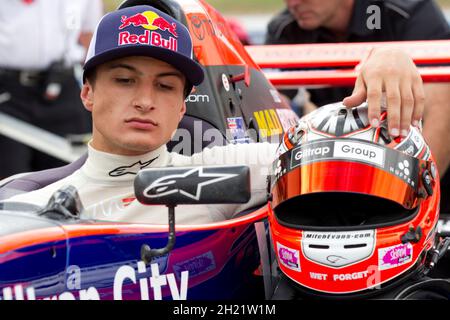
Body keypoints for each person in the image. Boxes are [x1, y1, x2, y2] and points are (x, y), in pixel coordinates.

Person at [4, 4, 430, 225]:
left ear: (184, 103)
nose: (145, 100)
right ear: (87, 93)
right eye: (125, 80)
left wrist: (387, 58)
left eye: (166, 86)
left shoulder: (230, 169)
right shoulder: (21, 200)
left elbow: (336, 143)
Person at [265, 0, 450, 212]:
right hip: (339, 187)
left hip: (422, 187)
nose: (293, 3)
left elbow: (444, 104)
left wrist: (420, 197)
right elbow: (272, 110)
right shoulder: (284, 29)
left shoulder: (408, 12)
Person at [0, 0, 104, 179]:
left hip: (64, 87)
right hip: (8, 92)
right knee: (11, 179)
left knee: (73, 177)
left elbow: (90, 35)